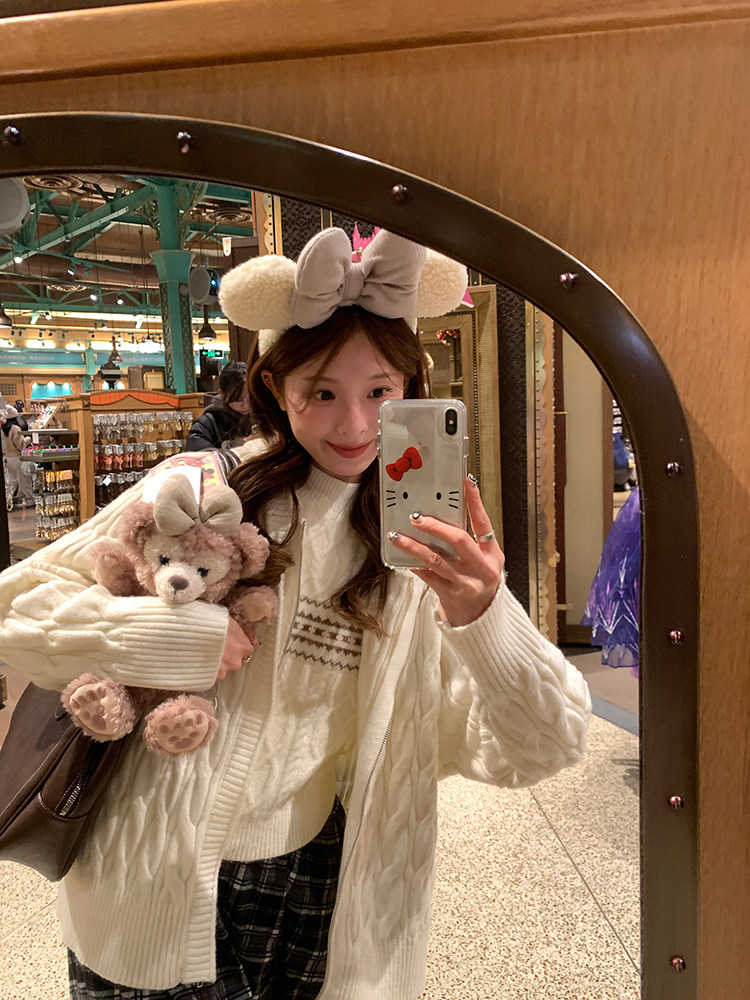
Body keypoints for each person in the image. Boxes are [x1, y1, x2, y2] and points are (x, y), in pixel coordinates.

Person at [0, 228, 591, 1000]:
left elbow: (548, 745)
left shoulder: (414, 552)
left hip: (324, 890)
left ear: (413, 388)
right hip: (149, 884)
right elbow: (17, 607)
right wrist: (173, 638)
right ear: (277, 389)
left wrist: (483, 615)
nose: (354, 426)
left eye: (380, 392)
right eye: (323, 392)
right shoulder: (200, 490)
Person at [186, 360, 253, 451]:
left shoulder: (262, 415)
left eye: (250, 398)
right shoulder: (207, 425)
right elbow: (198, 455)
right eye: (238, 399)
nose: (245, 405)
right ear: (222, 394)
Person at [1, 403, 34, 506]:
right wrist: (28, 438)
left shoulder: (3, 429)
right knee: (24, 480)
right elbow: (20, 445)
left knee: (12, 482)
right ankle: (29, 499)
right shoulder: (15, 428)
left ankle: (9, 502)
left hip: (7, 458)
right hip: (17, 458)